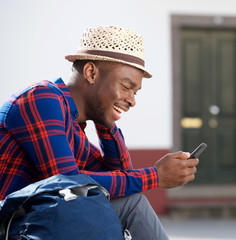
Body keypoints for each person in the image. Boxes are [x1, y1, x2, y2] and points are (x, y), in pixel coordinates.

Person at [0, 26, 199, 239]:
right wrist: (155, 176)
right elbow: (70, 187)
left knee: (128, 202)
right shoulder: (42, 98)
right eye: (126, 87)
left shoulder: (76, 128)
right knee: (131, 206)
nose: (132, 100)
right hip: (12, 228)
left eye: (135, 92)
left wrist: (108, 123)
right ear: (91, 73)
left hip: (40, 224)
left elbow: (121, 181)